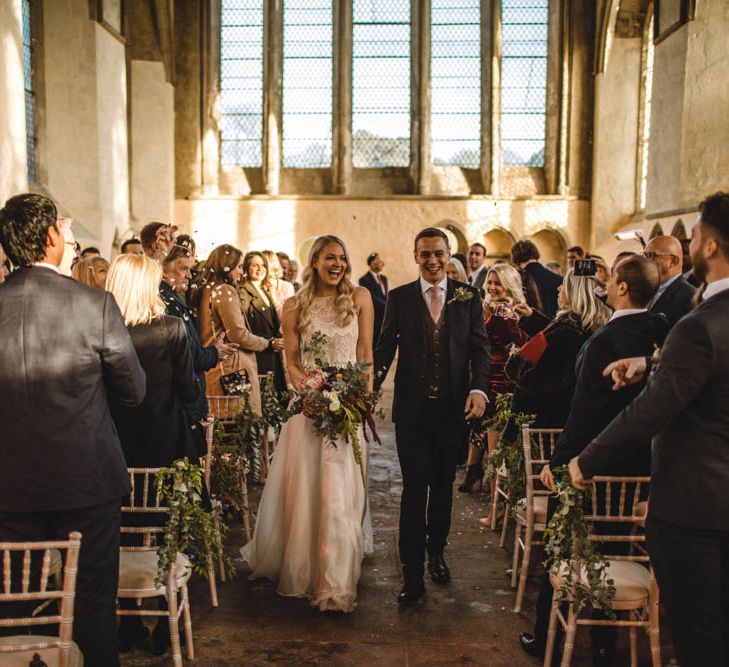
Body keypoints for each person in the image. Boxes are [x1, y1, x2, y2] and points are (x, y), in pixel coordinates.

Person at [569, 193, 729, 667]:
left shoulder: (698, 326)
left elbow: (651, 413)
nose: (691, 242)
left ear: (712, 247)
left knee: (701, 641)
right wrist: (651, 362)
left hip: (695, 512)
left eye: (695, 236)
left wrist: (584, 461)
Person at [0, 193, 145, 667]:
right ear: (49, 238)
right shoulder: (94, 305)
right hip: (86, 478)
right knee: (92, 604)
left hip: (10, 484)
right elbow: (133, 390)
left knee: (14, 606)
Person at [519, 255, 669, 663]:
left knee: (562, 543)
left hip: (593, 467)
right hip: (642, 471)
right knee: (620, 553)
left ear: (622, 288)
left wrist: (559, 462)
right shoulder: (664, 332)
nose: (605, 280)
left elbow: (582, 414)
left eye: (612, 277)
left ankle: (545, 631)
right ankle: (606, 641)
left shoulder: (604, 342)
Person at [240, 235, 375, 613]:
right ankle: (306, 567)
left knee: (341, 492)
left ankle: (335, 576)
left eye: (343, 258)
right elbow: (293, 360)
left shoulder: (361, 298)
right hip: (310, 409)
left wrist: (360, 397)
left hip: (346, 409)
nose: (338, 264)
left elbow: (365, 352)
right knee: (310, 490)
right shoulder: (293, 305)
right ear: (314, 261)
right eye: (330, 257)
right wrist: (309, 390)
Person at [375, 228, 490, 606]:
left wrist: (479, 388)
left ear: (448, 254)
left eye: (439, 254)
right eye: (425, 254)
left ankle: (436, 552)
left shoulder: (468, 296)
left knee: (442, 488)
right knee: (413, 491)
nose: (433, 260)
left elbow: (479, 348)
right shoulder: (400, 298)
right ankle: (412, 573)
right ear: (415, 255)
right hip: (412, 413)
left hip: (452, 412)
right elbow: (383, 351)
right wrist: (365, 394)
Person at [160, 245, 236, 456]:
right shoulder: (168, 304)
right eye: (183, 269)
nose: (189, 275)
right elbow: (187, 354)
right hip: (181, 398)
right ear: (164, 270)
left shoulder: (175, 299)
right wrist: (215, 353)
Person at [459, 264, 527, 495]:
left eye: (498, 283)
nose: (492, 287)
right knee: (479, 428)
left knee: (494, 441)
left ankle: (495, 498)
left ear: (509, 284)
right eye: (490, 282)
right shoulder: (492, 307)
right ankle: (474, 474)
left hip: (501, 380)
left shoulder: (506, 310)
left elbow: (513, 341)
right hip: (488, 376)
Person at [191, 244, 272, 412]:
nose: (241, 272)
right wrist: (266, 344)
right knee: (239, 428)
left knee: (218, 433)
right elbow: (238, 334)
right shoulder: (224, 290)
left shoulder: (206, 290)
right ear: (226, 266)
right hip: (231, 369)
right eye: (239, 267)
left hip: (214, 367)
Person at [238, 251, 287, 396]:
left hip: (274, 356)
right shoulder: (243, 292)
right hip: (260, 356)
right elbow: (245, 328)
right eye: (255, 265)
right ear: (246, 268)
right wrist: (269, 342)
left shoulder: (264, 290)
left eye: (263, 265)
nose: (260, 269)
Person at [644, 235, 696, 327]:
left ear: (673, 261)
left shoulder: (690, 297)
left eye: (651, 255)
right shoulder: (643, 291)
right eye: (645, 255)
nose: (645, 261)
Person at [511, 239, 563, 319]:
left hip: (529, 327)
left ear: (516, 260)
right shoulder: (559, 279)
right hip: (554, 327)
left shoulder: (518, 279)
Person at [358, 252, 389, 348]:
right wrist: (387, 306)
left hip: (384, 316)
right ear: (373, 263)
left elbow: (385, 295)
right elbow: (371, 298)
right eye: (379, 261)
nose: (382, 263)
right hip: (373, 316)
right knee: (373, 342)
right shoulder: (364, 280)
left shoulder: (383, 278)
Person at [262, 249, 295, 316]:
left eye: (262, 264)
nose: (259, 268)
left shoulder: (287, 286)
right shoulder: (258, 284)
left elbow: (288, 314)